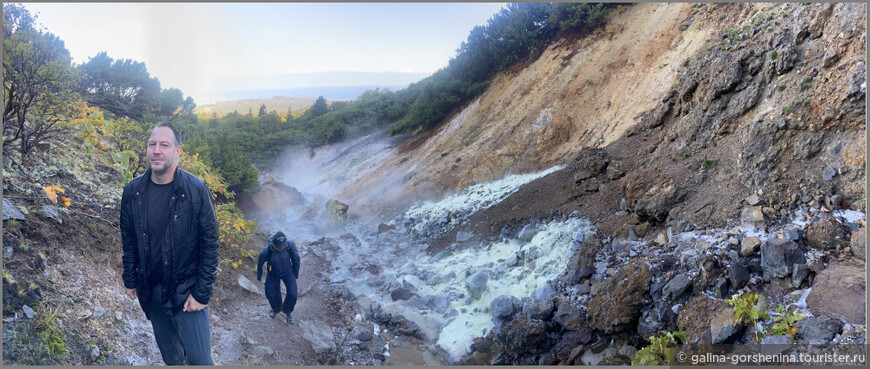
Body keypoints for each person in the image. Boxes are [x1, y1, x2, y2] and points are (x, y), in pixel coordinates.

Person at [120, 121, 219, 365]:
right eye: (152, 144)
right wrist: (130, 278)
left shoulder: (196, 190)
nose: (156, 150)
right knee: (172, 357)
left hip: (187, 292)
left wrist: (202, 293)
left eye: (164, 145)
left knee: (200, 361)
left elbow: (210, 244)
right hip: (151, 289)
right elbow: (129, 239)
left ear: (178, 151)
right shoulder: (133, 192)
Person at [257, 231, 301, 325]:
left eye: (282, 246)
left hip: (287, 272)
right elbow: (260, 263)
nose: (281, 248)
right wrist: (259, 277)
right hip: (273, 273)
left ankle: (287, 311)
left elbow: (296, 259)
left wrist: (294, 274)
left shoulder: (289, 246)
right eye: (279, 246)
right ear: (273, 244)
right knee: (271, 294)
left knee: (293, 294)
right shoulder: (266, 251)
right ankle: (276, 309)